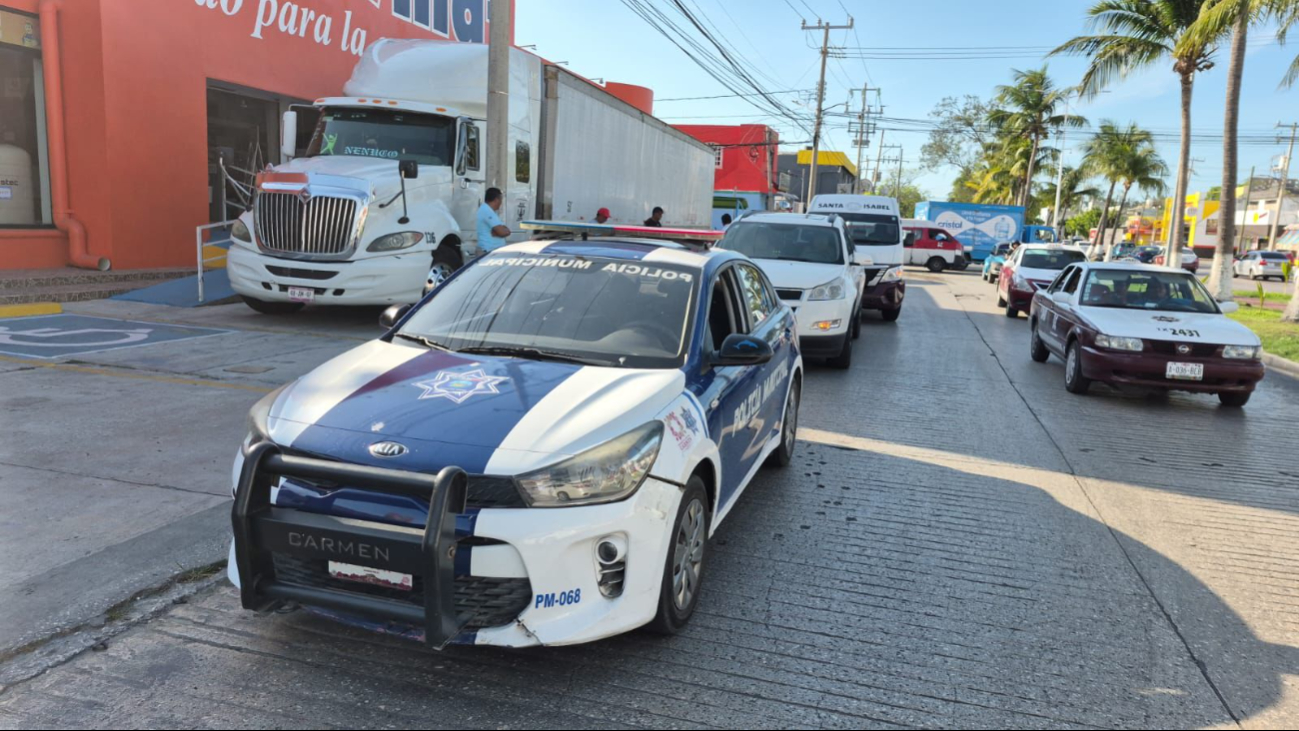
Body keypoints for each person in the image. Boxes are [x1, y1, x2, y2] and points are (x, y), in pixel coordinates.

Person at [476, 187, 510, 254]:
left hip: (492, 251)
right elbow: (502, 232)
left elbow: (506, 230)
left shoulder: (490, 211)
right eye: (501, 200)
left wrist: (499, 231)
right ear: (496, 200)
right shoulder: (486, 211)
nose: (501, 203)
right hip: (488, 251)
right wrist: (501, 231)